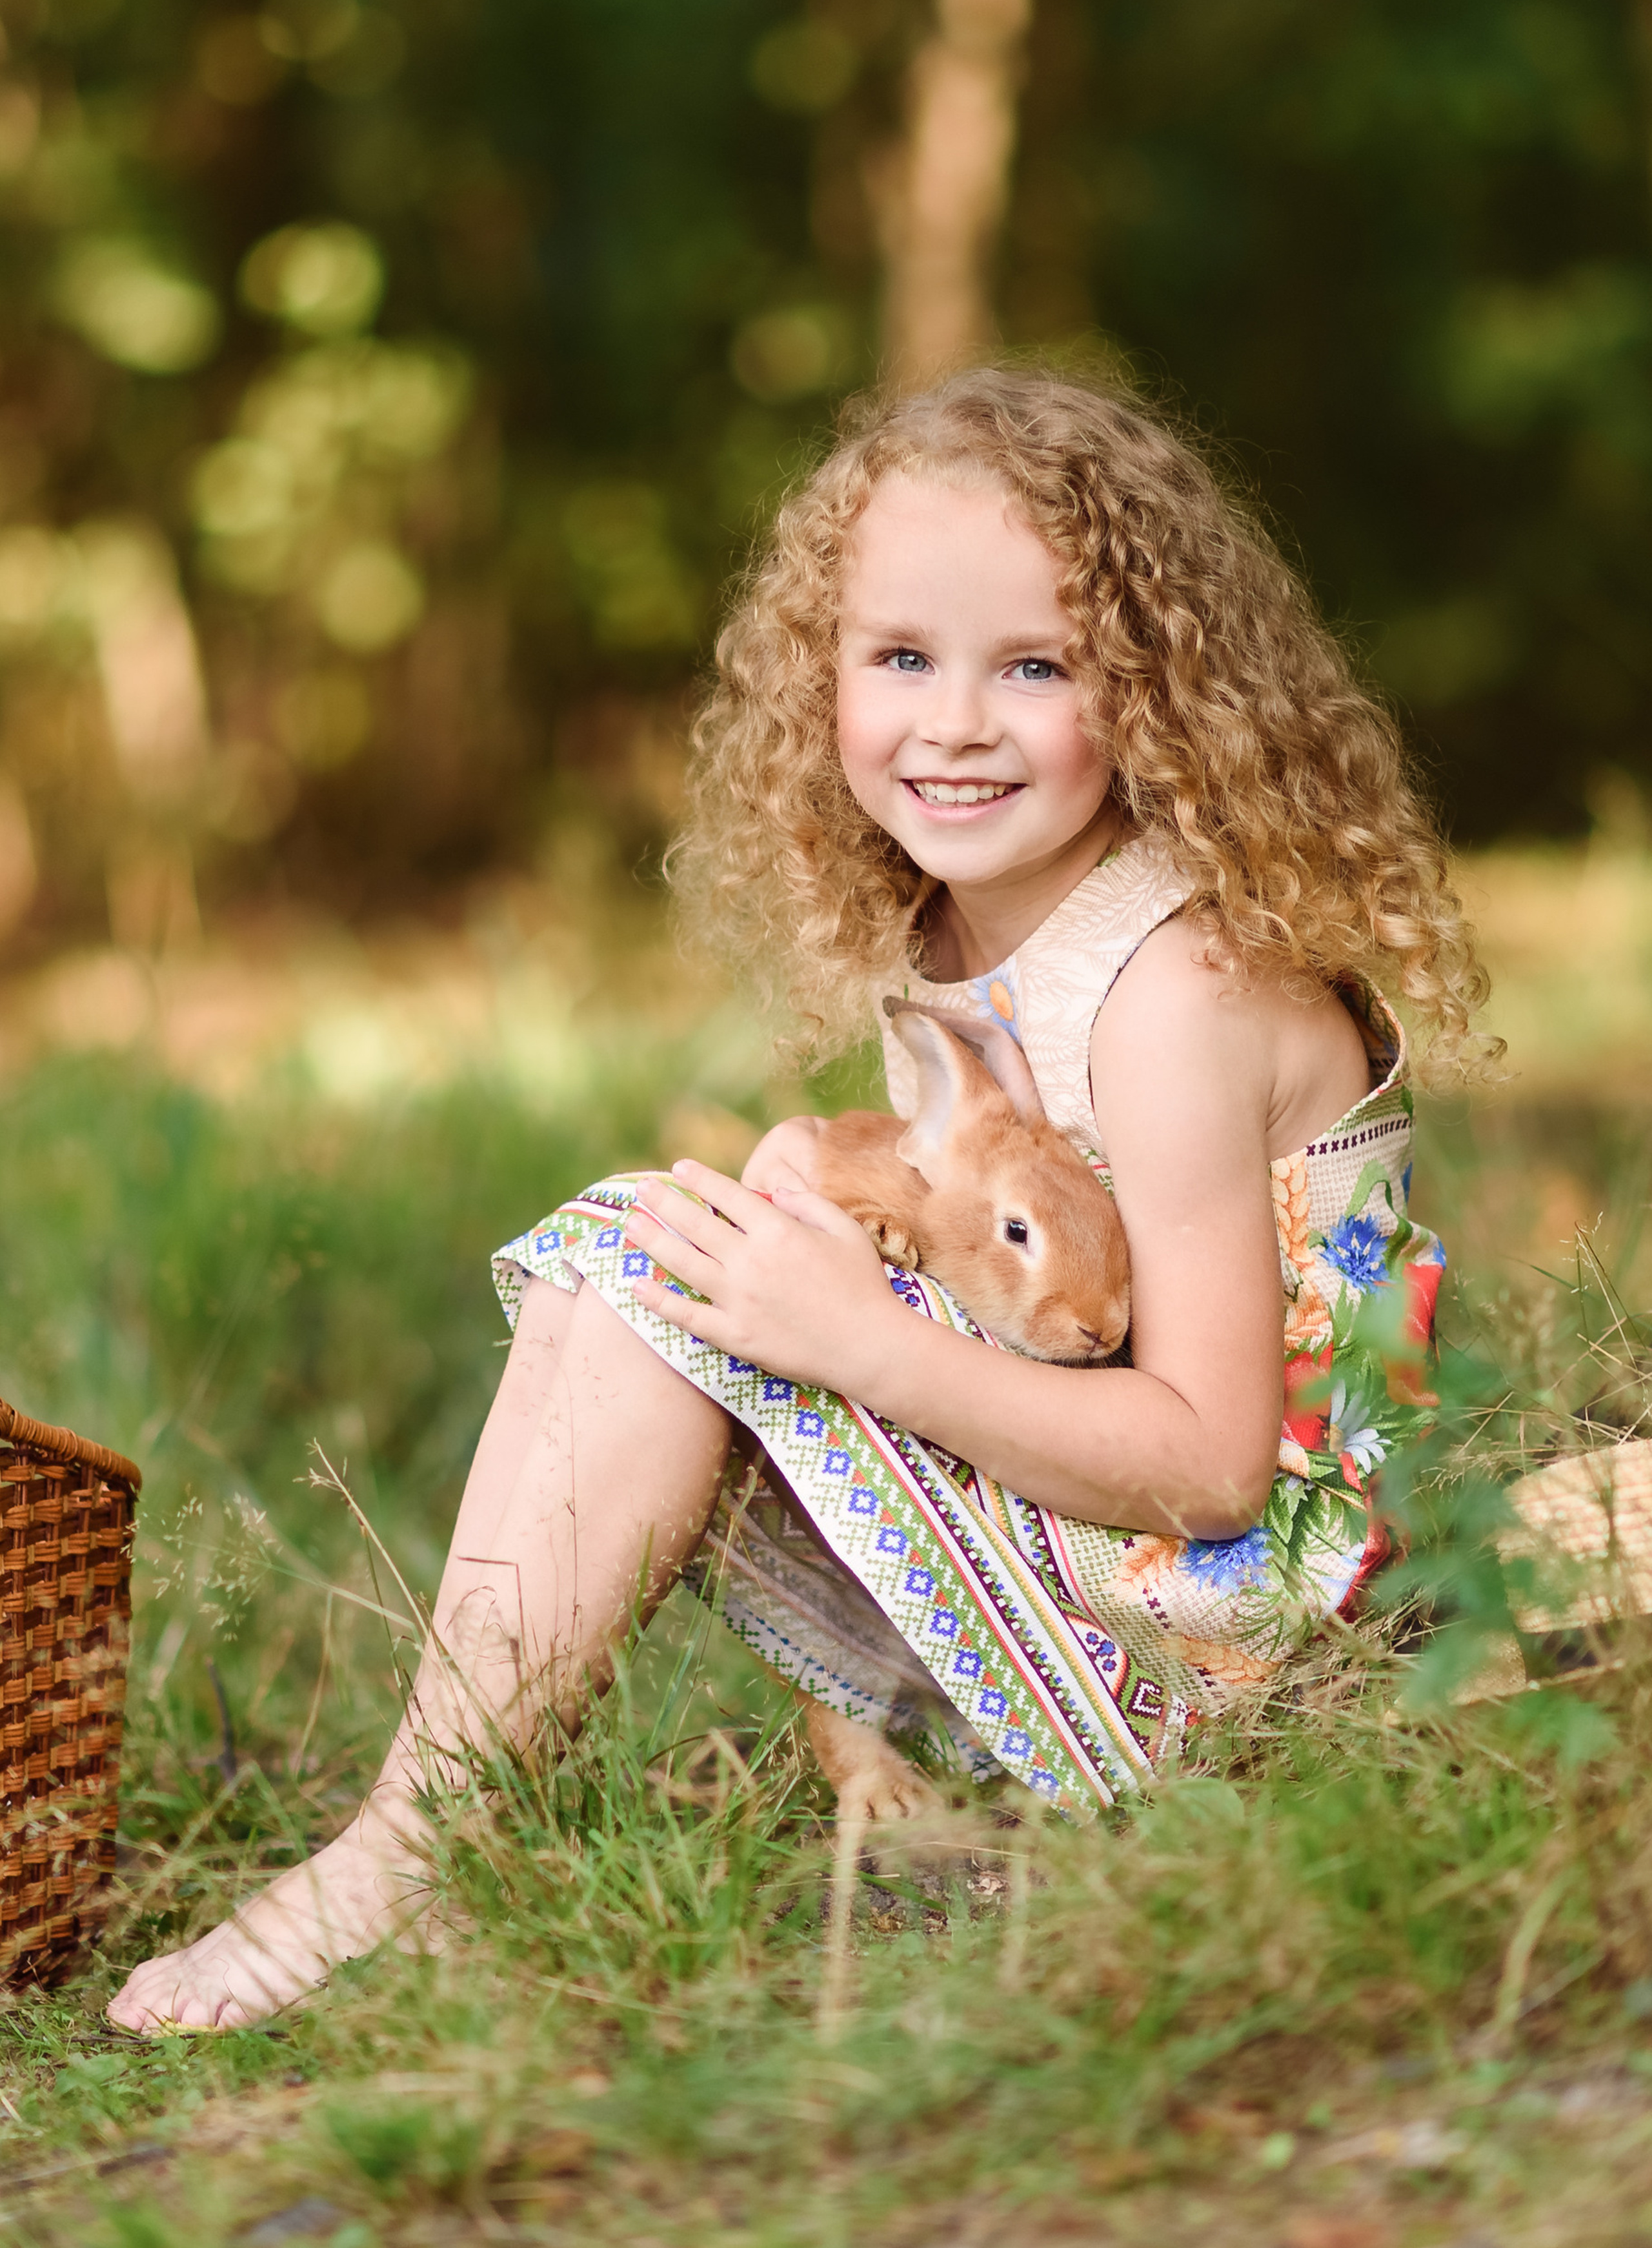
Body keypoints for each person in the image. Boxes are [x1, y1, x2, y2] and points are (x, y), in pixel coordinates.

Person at [108, 367, 1492, 2034]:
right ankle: (427, 1831)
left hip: (1254, 1633)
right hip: (1122, 1550)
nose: (955, 722)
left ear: (1157, 693)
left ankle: (405, 1857)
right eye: (900, 657)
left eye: (1035, 668)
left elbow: (1209, 1467)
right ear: (820, 672)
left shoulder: (1177, 991)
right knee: (641, 1249)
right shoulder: (967, 927)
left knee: (652, 1274)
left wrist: (858, 1340)